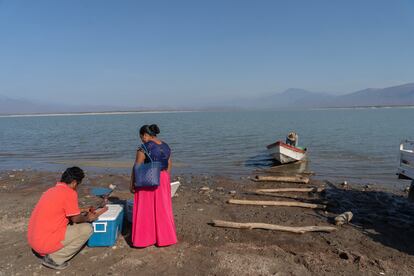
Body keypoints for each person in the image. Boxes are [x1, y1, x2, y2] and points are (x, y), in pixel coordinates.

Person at [27, 167, 100, 270]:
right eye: (78, 184)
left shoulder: (51, 190)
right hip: (43, 245)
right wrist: (88, 218)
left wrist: (83, 209)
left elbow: (62, 209)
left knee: (73, 224)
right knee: (87, 229)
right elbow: (75, 219)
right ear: (74, 182)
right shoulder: (69, 193)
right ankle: (55, 259)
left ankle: (52, 253)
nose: (77, 187)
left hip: (34, 241)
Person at [129, 124, 177, 247]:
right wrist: (165, 178)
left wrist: (132, 183)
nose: (141, 140)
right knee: (163, 209)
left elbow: (137, 166)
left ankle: (145, 240)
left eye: (141, 137)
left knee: (145, 209)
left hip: (148, 178)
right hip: (164, 177)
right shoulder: (166, 146)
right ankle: (166, 239)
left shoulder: (143, 147)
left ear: (145, 135)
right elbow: (169, 163)